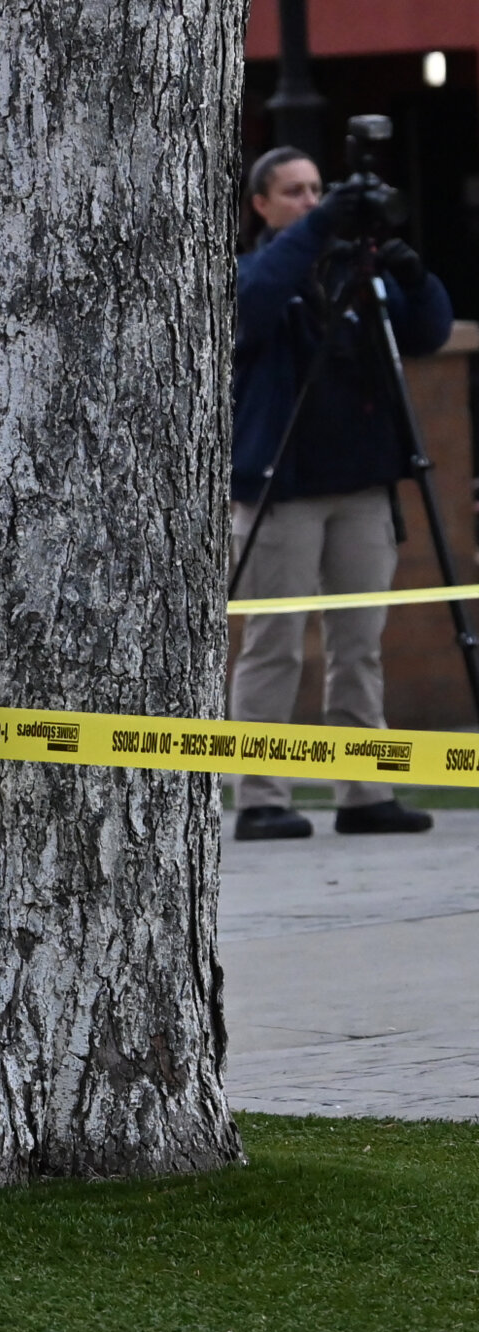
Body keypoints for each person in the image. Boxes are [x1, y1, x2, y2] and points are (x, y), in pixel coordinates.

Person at [228, 146, 452, 840]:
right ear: (261, 205)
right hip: (282, 490)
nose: (309, 199)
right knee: (275, 644)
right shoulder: (260, 267)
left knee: (361, 645)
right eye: (293, 191)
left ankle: (363, 790)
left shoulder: (362, 271)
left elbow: (429, 333)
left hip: (361, 486)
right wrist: (318, 227)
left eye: (317, 189)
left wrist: (410, 273)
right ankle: (261, 795)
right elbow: (253, 307)